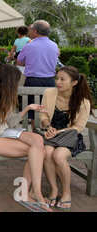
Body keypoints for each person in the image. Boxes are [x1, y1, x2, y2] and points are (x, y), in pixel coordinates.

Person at [0, 64, 52, 212]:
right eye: (16, 81)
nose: (18, 84)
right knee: (38, 151)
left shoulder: (2, 94)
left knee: (38, 143)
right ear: (10, 81)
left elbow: (8, 121)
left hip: (1, 133)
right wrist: (18, 136)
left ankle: (31, 191)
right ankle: (32, 193)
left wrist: (27, 109)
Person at [38, 66, 93, 211]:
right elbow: (43, 114)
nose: (58, 82)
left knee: (59, 155)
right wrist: (48, 126)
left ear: (74, 82)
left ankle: (66, 192)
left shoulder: (83, 102)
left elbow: (79, 127)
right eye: (57, 78)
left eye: (62, 79)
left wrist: (58, 132)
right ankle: (54, 190)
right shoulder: (49, 93)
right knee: (47, 152)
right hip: (49, 134)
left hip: (69, 136)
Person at [16, 20, 59, 129]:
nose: (29, 30)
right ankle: (46, 135)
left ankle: (37, 135)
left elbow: (19, 62)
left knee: (34, 110)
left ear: (35, 31)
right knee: (47, 110)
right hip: (50, 81)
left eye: (31, 28)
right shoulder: (54, 46)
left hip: (33, 80)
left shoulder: (29, 46)